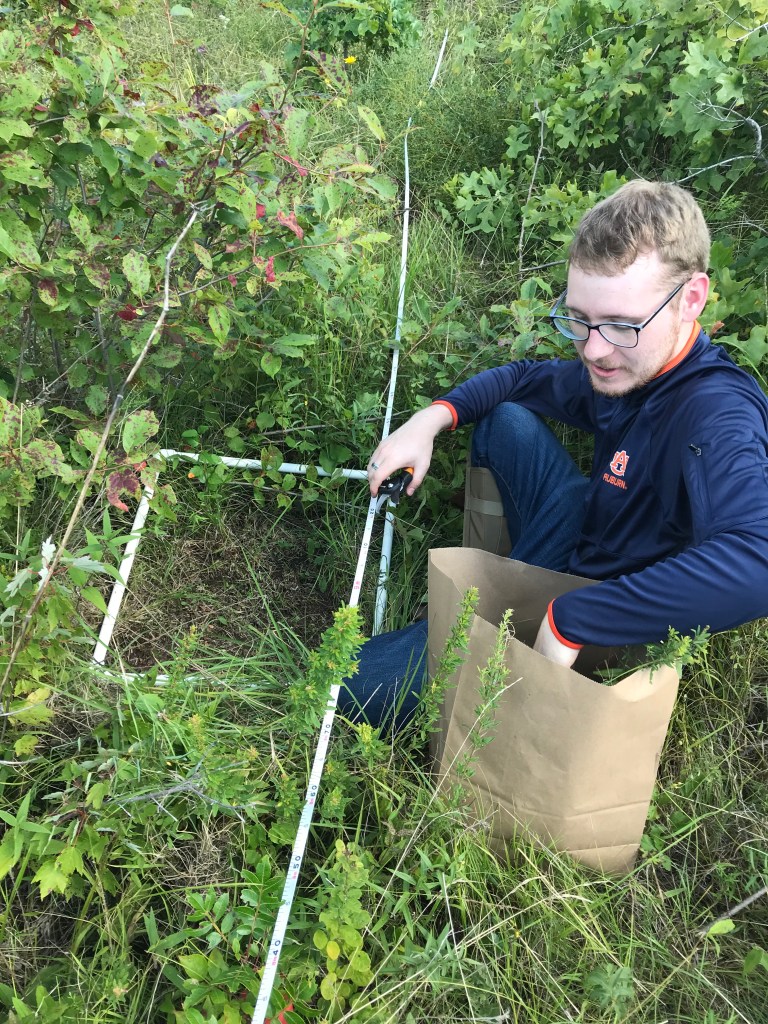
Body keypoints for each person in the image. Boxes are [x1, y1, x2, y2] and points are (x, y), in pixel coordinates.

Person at [340, 180, 768, 728]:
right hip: (585, 526)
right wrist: (430, 420)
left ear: (691, 299)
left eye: (622, 324)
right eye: (580, 319)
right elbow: (523, 378)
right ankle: (492, 600)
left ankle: (473, 625)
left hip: (607, 603)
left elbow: (757, 560)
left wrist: (577, 617)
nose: (593, 349)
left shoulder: (716, 412)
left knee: (338, 692)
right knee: (504, 419)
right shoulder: (636, 365)